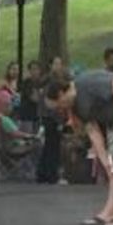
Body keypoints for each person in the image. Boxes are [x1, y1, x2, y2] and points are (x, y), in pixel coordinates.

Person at [41, 62, 113, 225]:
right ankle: (109, 211)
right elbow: (93, 131)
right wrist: (103, 159)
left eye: (58, 105)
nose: (60, 110)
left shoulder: (88, 85)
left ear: (62, 94)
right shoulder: (75, 106)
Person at [36, 56, 66, 184]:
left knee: (50, 145)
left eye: (60, 64)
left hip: (51, 115)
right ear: (51, 66)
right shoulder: (51, 81)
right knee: (52, 146)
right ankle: (50, 175)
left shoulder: (57, 80)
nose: (58, 66)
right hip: (51, 116)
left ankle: (43, 173)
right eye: (56, 64)